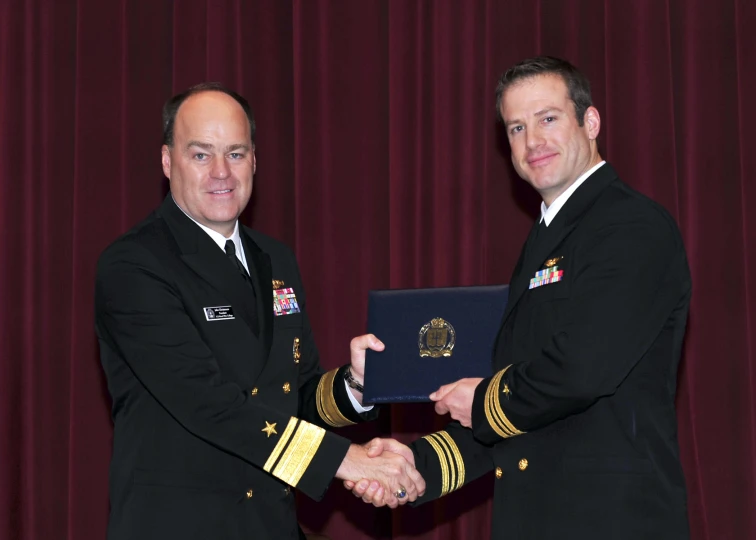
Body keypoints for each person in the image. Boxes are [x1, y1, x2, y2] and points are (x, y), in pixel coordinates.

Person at [349, 56, 691, 539]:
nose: (533, 142)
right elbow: (522, 409)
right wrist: (413, 467)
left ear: (589, 122)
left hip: (611, 521)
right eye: (515, 127)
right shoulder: (546, 241)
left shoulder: (631, 227)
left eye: (548, 119)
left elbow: (581, 370)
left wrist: (484, 398)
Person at [95, 82, 424, 540]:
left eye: (235, 153)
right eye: (200, 154)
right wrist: (345, 461)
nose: (221, 172)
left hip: (270, 524)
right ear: (168, 162)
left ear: (254, 161)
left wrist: (356, 384)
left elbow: (295, 394)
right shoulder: (133, 266)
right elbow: (208, 404)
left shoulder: (275, 259)